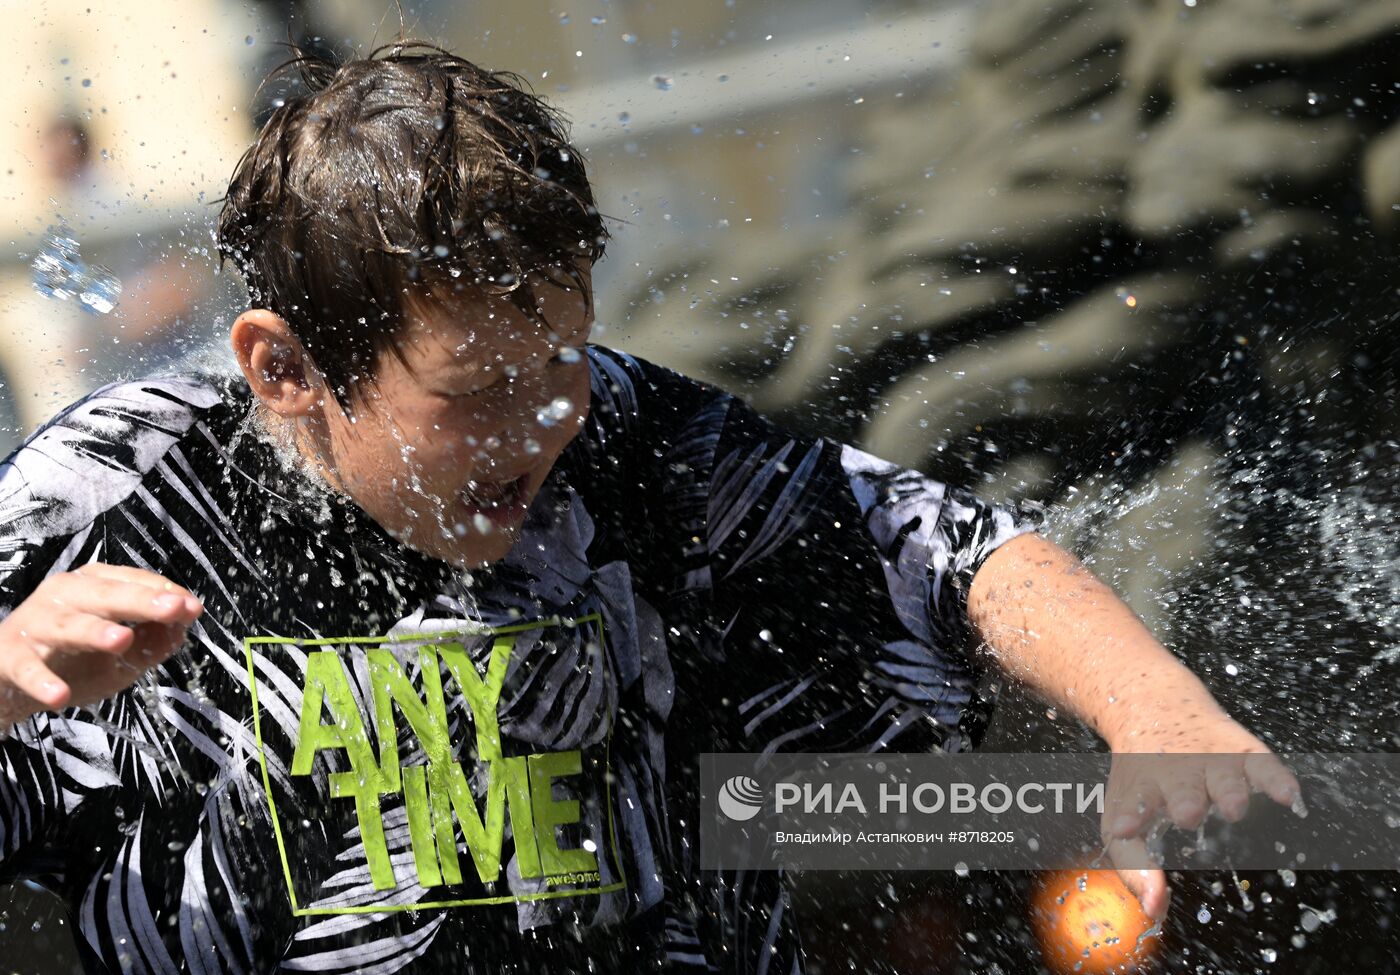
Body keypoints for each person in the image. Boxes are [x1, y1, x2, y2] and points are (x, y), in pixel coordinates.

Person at [0, 45, 1298, 973]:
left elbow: (949, 552)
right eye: (477, 390)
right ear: (285, 370)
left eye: (562, 356)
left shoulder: (628, 435)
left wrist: (1155, 713)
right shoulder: (117, 503)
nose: (544, 422)